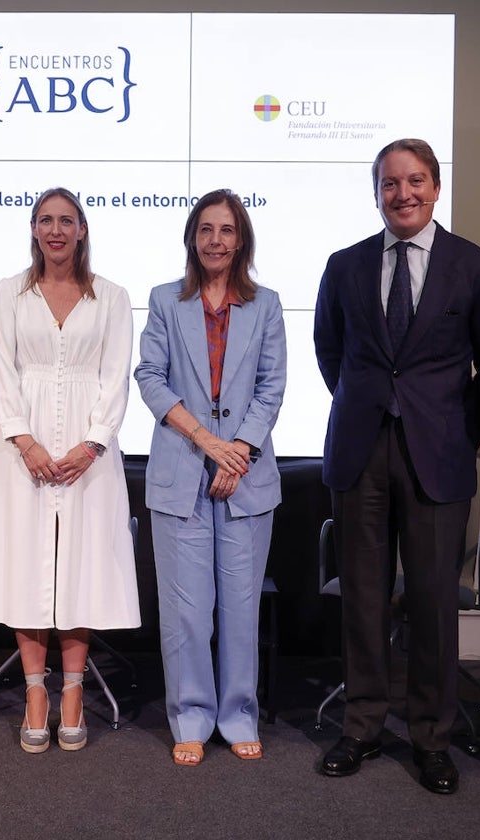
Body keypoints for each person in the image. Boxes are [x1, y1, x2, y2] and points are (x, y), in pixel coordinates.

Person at [313, 138, 480, 794]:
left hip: (439, 451)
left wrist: (460, 429)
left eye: (416, 180)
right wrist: (365, 405)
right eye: (391, 183)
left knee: (432, 601)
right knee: (364, 599)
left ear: (436, 186)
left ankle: (431, 737)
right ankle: (363, 726)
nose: (404, 193)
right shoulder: (344, 265)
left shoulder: (474, 266)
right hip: (361, 448)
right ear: (376, 192)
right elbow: (329, 350)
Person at [0, 187, 139, 754]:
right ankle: (34, 693)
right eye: (46, 220)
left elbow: (117, 377)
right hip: (23, 449)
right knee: (27, 563)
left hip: (89, 454)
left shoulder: (111, 296)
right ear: (34, 229)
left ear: (83, 229)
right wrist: (24, 439)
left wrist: (92, 445)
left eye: (67, 220)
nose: (56, 230)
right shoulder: (8, 293)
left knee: (80, 566)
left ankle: (73, 690)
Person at [135, 188, 286, 766]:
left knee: (241, 608)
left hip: (245, 477)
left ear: (241, 238)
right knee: (187, 612)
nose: (215, 240)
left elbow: (272, 386)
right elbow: (149, 376)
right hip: (182, 471)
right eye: (205, 230)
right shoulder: (165, 301)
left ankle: (239, 712)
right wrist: (207, 444)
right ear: (192, 239)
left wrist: (238, 452)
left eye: (226, 230)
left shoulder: (266, 304)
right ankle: (192, 715)